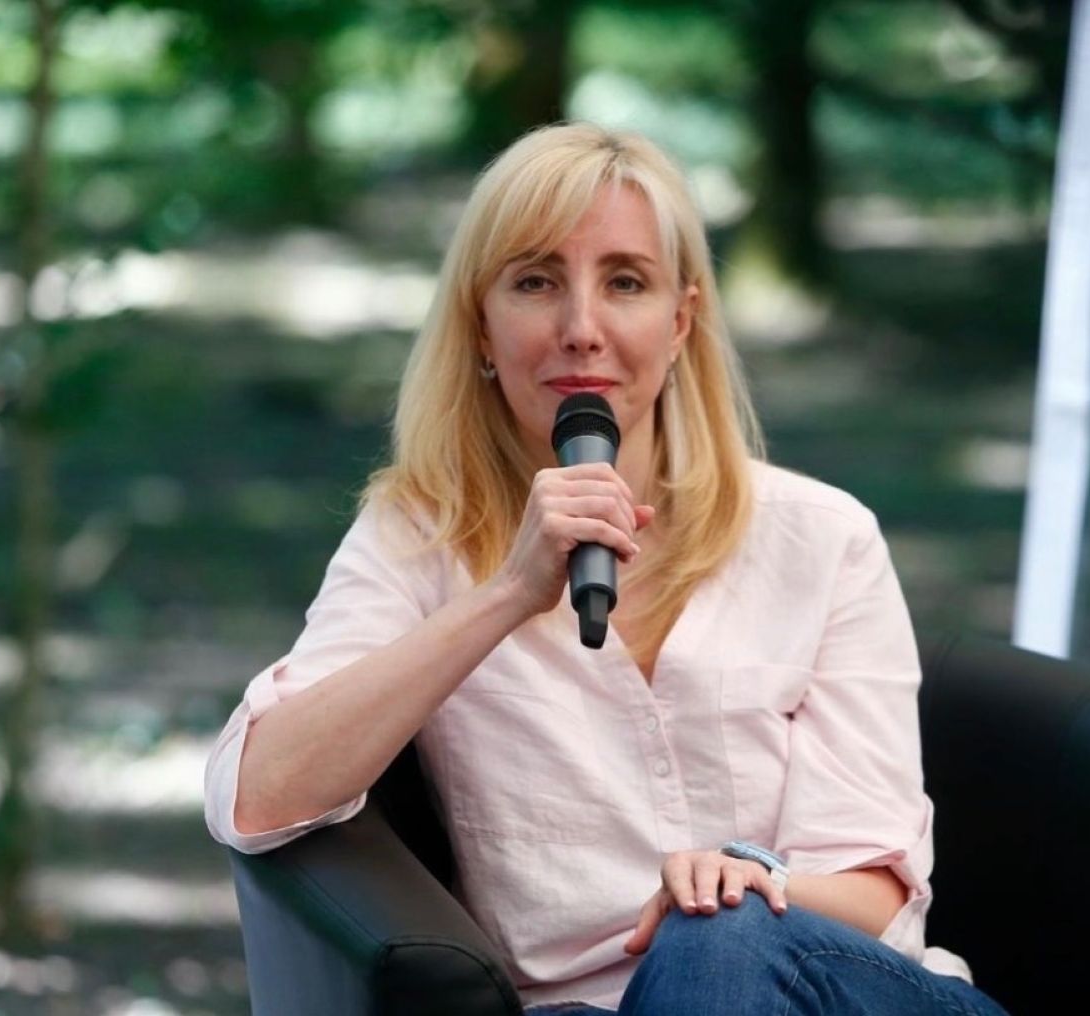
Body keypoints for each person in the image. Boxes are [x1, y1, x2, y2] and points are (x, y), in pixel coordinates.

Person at [204, 121, 1011, 1015]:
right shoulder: (421, 537)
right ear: (480, 325)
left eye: (625, 282)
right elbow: (259, 798)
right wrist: (509, 593)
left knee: (715, 936)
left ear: (680, 322)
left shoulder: (824, 538)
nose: (581, 330)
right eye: (536, 282)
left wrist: (739, 883)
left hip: (842, 993)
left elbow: (876, 893)